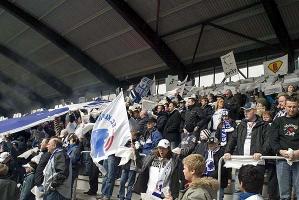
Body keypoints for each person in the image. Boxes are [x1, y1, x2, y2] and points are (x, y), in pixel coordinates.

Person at [224, 102, 266, 199]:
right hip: (242, 161)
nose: (245, 113)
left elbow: (267, 142)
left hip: (257, 162)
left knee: (255, 190)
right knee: (239, 188)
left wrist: (261, 153)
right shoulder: (241, 125)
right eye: (244, 111)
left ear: (254, 111)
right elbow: (232, 139)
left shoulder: (263, 125)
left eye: (248, 111)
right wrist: (227, 151)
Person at [271, 96, 299, 199]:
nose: (291, 109)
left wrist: (298, 153)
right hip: (282, 159)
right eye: (289, 106)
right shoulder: (278, 121)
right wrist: (280, 151)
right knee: (284, 194)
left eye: (294, 107)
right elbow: (273, 140)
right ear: (285, 107)